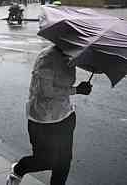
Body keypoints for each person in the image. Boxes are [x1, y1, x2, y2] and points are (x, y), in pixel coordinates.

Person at [6, 45, 92, 185]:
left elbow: (65, 84)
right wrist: (76, 90)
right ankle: (19, 168)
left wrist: (83, 86)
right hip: (42, 119)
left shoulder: (71, 56)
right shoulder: (46, 58)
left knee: (63, 163)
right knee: (46, 160)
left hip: (65, 116)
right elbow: (45, 92)